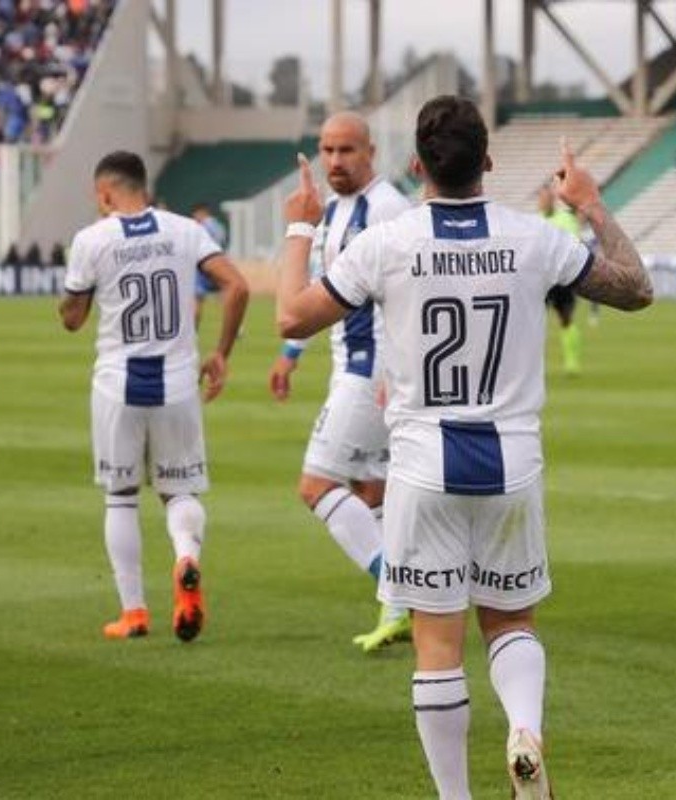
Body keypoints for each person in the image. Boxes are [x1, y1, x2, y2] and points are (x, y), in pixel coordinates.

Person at [277, 95, 652, 798]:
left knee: (437, 648)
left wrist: (301, 229)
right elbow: (634, 289)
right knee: (510, 621)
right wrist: (592, 204)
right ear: (488, 161)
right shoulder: (532, 237)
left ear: (417, 164)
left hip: (422, 470)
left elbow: (291, 315)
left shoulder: (387, 242)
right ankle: (523, 729)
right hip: (511, 465)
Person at [59, 151, 248, 643]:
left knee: (121, 497)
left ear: (104, 194)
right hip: (178, 382)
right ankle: (186, 556)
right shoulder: (184, 229)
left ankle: (134, 613)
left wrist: (76, 292)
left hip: (118, 383)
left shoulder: (92, 239)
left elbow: (72, 318)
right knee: (180, 491)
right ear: (143, 186)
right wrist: (222, 353)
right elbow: (237, 286)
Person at [268, 111, 412, 652]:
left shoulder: (389, 210)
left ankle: (402, 594)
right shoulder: (333, 210)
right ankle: (399, 606)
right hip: (346, 363)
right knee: (368, 489)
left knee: (316, 484)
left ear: (371, 152)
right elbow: (319, 290)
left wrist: (396, 372)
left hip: (371, 371)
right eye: (326, 150)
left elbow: (405, 295)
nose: (334, 161)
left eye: (346, 150)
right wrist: (291, 351)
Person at [538, 183, 583, 374]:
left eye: (547, 198)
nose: (544, 201)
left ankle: (572, 362)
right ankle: (534, 365)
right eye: (541, 198)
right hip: (540, 280)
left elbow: (573, 244)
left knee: (566, 319)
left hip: (561, 279)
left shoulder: (565, 219)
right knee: (534, 323)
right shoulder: (534, 221)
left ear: (552, 200)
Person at [191, 203, 228, 329]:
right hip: (219, 263)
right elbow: (222, 243)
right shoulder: (219, 226)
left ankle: (193, 330)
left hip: (203, 265)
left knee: (197, 298)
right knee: (224, 296)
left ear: (201, 212)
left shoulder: (202, 226)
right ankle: (235, 326)